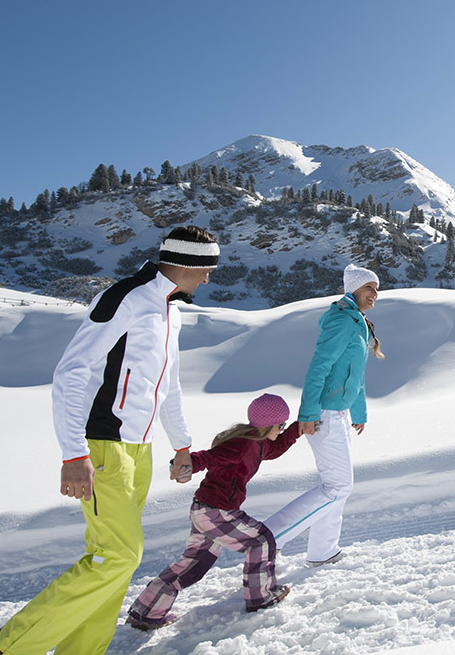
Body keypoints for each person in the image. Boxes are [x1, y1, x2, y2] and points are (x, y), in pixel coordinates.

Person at [0, 226, 218, 655]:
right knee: (118, 555)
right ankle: (11, 645)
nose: (207, 280)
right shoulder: (125, 298)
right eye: (206, 271)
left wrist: (181, 445)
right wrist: (73, 453)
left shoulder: (170, 310)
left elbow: (169, 384)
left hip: (138, 449)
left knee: (114, 560)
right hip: (104, 443)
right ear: (187, 264)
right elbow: (71, 371)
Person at [125, 393, 301, 631]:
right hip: (217, 511)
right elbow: (210, 458)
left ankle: (146, 612)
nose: (281, 430)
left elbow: (275, 449)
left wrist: (298, 428)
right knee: (261, 541)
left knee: (193, 564)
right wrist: (186, 464)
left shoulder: (257, 443)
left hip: (204, 509)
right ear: (268, 424)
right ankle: (261, 597)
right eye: (280, 425)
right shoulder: (242, 444)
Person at [262, 263, 383, 566]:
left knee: (337, 486)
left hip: (339, 413)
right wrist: (308, 413)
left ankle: (323, 550)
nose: (375, 293)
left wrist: (358, 410)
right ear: (353, 287)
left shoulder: (357, 323)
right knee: (338, 486)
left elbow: (356, 374)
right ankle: (267, 540)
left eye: (377, 288)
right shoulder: (343, 321)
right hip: (325, 414)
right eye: (369, 287)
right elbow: (320, 367)